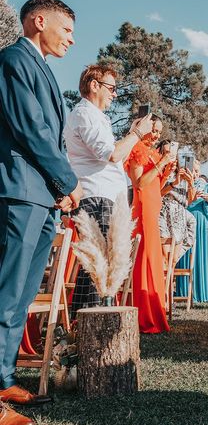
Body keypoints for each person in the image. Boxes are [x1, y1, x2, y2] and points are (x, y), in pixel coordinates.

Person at [0, 0, 82, 423]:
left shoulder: (42, 68)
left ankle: (3, 378)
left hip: (41, 194)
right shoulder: (14, 60)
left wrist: (59, 189)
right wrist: (68, 181)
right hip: (18, 192)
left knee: (21, 296)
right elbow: (30, 129)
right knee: (6, 292)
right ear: (39, 20)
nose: (71, 39)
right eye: (66, 30)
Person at [64, 64, 154, 315]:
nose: (115, 94)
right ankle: (85, 330)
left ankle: (91, 329)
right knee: (96, 272)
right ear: (94, 85)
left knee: (102, 272)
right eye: (111, 88)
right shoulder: (85, 114)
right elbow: (112, 154)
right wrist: (136, 133)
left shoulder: (96, 116)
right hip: (96, 197)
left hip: (106, 198)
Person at [125, 118, 175, 333]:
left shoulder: (152, 153)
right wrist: (162, 164)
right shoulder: (136, 149)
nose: (156, 135)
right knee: (143, 259)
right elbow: (140, 184)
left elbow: (156, 185)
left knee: (153, 260)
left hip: (153, 211)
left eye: (159, 132)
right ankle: (142, 312)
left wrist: (168, 175)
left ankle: (154, 310)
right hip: (143, 211)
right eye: (153, 130)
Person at [176, 160, 208, 303]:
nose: (195, 174)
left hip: (203, 225)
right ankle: (184, 292)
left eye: (197, 171)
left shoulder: (206, 186)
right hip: (185, 224)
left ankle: (201, 293)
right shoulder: (179, 185)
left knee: (201, 256)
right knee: (185, 256)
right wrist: (190, 200)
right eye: (192, 171)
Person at [157, 140, 196, 265]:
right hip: (163, 212)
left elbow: (190, 201)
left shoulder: (181, 171)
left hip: (179, 215)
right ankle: (162, 285)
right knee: (164, 257)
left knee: (173, 260)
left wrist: (190, 183)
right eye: (167, 152)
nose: (170, 155)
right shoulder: (160, 170)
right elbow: (158, 193)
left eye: (172, 152)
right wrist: (174, 183)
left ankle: (168, 285)